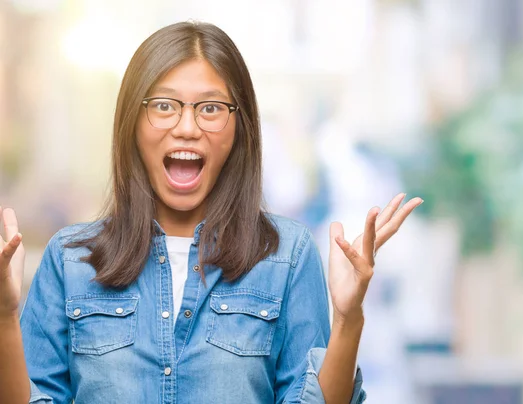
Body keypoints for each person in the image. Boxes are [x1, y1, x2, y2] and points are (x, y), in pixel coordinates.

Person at [0, 21, 422, 404]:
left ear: (240, 129)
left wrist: (348, 319)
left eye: (211, 108)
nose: (187, 127)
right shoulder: (69, 259)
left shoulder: (288, 255)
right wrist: (3, 318)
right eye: (164, 105)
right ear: (133, 122)